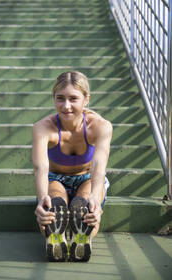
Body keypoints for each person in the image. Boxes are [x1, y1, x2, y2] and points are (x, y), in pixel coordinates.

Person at [32, 71, 112, 262]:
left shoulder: (101, 126)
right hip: (55, 178)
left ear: (86, 99)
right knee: (54, 203)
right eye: (60, 98)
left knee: (86, 205)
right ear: (54, 98)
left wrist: (95, 198)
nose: (66, 106)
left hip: (88, 178)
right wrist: (42, 198)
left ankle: (82, 239)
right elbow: (41, 168)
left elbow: (99, 167)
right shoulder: (43, 127)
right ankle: (54, 237)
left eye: (73, 98)